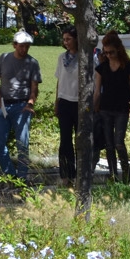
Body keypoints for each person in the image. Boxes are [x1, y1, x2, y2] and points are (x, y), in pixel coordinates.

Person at [0, 30, 41, 180]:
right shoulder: (4, 58)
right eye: (21, 46)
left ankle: (23, 178)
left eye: (27, 46)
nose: (24, 49)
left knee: (22, 145)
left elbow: (34, 88)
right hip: (4, 105)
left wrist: (30, 103)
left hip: (22, 106)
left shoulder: (32, 63)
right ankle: (11, 176)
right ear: (14, 45)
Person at [93, 31, 130, 183]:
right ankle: (113, 175)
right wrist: (93, 110)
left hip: (121, 109)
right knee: (109, 144)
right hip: (105, 109)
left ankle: (126, 173)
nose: (109, 55)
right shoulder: (102, 68)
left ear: (118, 49)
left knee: (119, 142)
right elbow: (97, 92)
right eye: (106, 53)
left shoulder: (128, 67)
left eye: (111, 52)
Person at [54, 28, 81, 186]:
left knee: (80, 140)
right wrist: (57, 102)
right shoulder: (61, 58)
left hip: (79, 102)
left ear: (77, 39)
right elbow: (59, 80)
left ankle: (79, 174)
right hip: (64, 101)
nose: (66, 42)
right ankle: (66, 175)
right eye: (64, 39)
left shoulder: (85, 58)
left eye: (69, 38)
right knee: (65, 140)